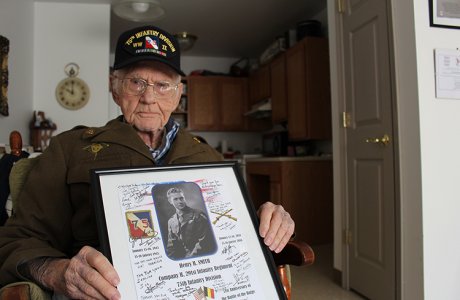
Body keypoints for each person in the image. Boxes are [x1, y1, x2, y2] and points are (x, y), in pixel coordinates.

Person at [0, 25, 295, 300]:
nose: (149, 97)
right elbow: (19, 239)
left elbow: (232, 234)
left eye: (163, 85)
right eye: (137, 82)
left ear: (178, 94)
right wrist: (58, 272)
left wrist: (267, 220)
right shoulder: (70, 148)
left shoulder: (206, 156)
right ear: (114, 87)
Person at [165, 187, 217, 259]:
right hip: (183, 258)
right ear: (170, 201)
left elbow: (204, 241)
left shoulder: (198, 215)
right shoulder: (171, 221)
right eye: (175, 199)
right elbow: (171, 246)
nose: (180, 201)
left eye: (181, 198)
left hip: (202, 255)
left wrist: (189, 258)